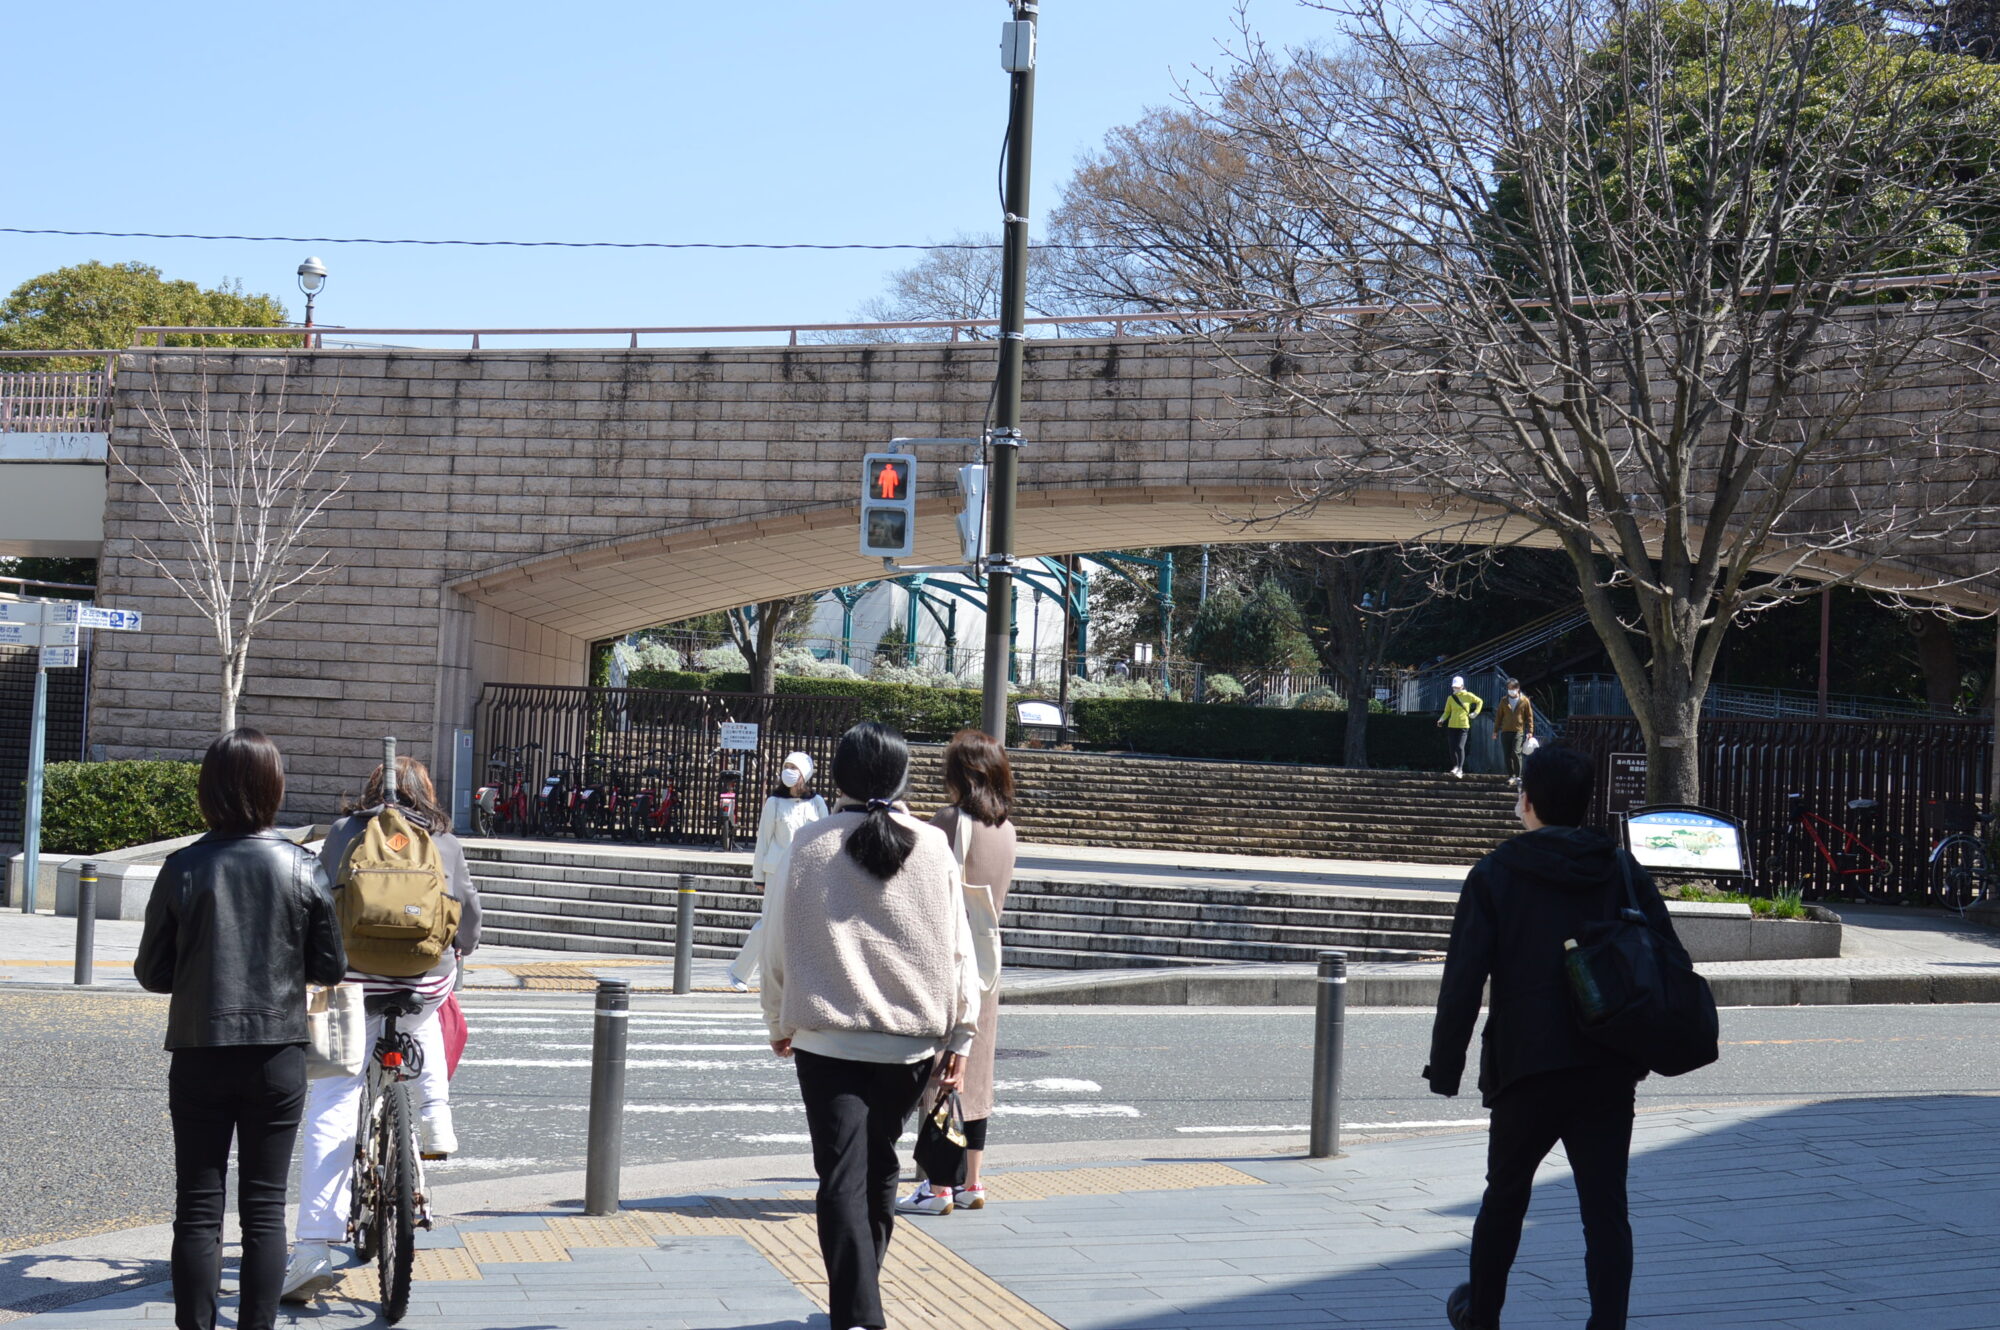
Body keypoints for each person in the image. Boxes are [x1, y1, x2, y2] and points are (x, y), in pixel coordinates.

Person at [1424, 745, 1691, 1330]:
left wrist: (1445, 1068)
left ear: (1527, 800)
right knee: (1605, 1208)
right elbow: (1670, 958)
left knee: (1505, 1197)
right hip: (1607, 1063)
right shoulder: (1621, 869)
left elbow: (1463, 980)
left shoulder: (1495, 873)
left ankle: (1482, 1315)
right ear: (1584, 801)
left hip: (1525, 1065)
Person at [761, 721, 981, 1330]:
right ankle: (861, 1301)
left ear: (838, 775)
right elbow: (959, 951)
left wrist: (776, 1016)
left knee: (839, 1172)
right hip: (910, 1041)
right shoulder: (932, 847)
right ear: (903, 776)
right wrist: (962, 1034)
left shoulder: (809, 843)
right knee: (880, 1163)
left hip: (826, 1037)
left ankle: (858, 1313)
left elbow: (776, 940)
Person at [135, 728, 347, 1330]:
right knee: (264, 1208)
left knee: (198, 1209)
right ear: (273, 788)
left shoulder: (183, 866)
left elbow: (152, 972)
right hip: (277, 1053)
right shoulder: (301, 866)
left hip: (200, 1048)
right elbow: (331, 966)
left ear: (209, 791)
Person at [281, 755, 481, 1302]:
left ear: (373, 788)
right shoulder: (443, 838)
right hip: (425, 982)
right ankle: (435, 1116)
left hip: (348, 982)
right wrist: (459, 949)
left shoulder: (345, 831)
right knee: (428, 1011)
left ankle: (313, 1249)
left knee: (334, 1098)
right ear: (427, 793)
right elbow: (467, 913)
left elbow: (317, 899)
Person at [900, 728, 1015, 1217]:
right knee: (977, 1074)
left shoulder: (948, 822)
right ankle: (972, 1182)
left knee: (941, 1073)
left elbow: (919, 884)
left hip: (949, 963)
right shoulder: (1007, 830)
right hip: (988, 966)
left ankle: (937, 1186)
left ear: (960, 774)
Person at [727, 751, 829, 992]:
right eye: (786, 766)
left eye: (794, 768)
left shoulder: (816, 803)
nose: (789, 772)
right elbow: (764, 840)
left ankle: (802, 978)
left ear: (805, 774)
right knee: (769, 923)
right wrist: (758, 876)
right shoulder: (774, 802)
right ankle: (740, 971)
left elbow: (826, 838)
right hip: (775, 871)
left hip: (806, 872)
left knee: (804, 923)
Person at [1436, 674, 1485, 778]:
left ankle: (1460, 769)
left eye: (1457, 687)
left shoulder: (1468, 695)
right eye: (1454, 687)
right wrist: (1441, 719)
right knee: (1452, 747)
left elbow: (1480, 701)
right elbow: (1447, 712)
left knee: (1460, 746)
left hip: (1463, 725)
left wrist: (1475, 713)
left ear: (1462, 686)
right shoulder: (1450, 698)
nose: (1456, 688)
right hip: (1452, 725)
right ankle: (1455, 767)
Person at [1494, 679, 1536, 787]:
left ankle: (1518, 776)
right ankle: (1511, 776)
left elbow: (1530, 717)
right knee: (1507, 754)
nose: (1510, 690)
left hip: (1518, 731)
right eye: (1509, 688)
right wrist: (1495, 730)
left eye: (1512, 688)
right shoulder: (1504, 700)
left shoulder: (1524, 700)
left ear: (1518, 688)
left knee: (1516, 752)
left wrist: (1530, 731)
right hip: (1505, 731)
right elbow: (1499, 716)